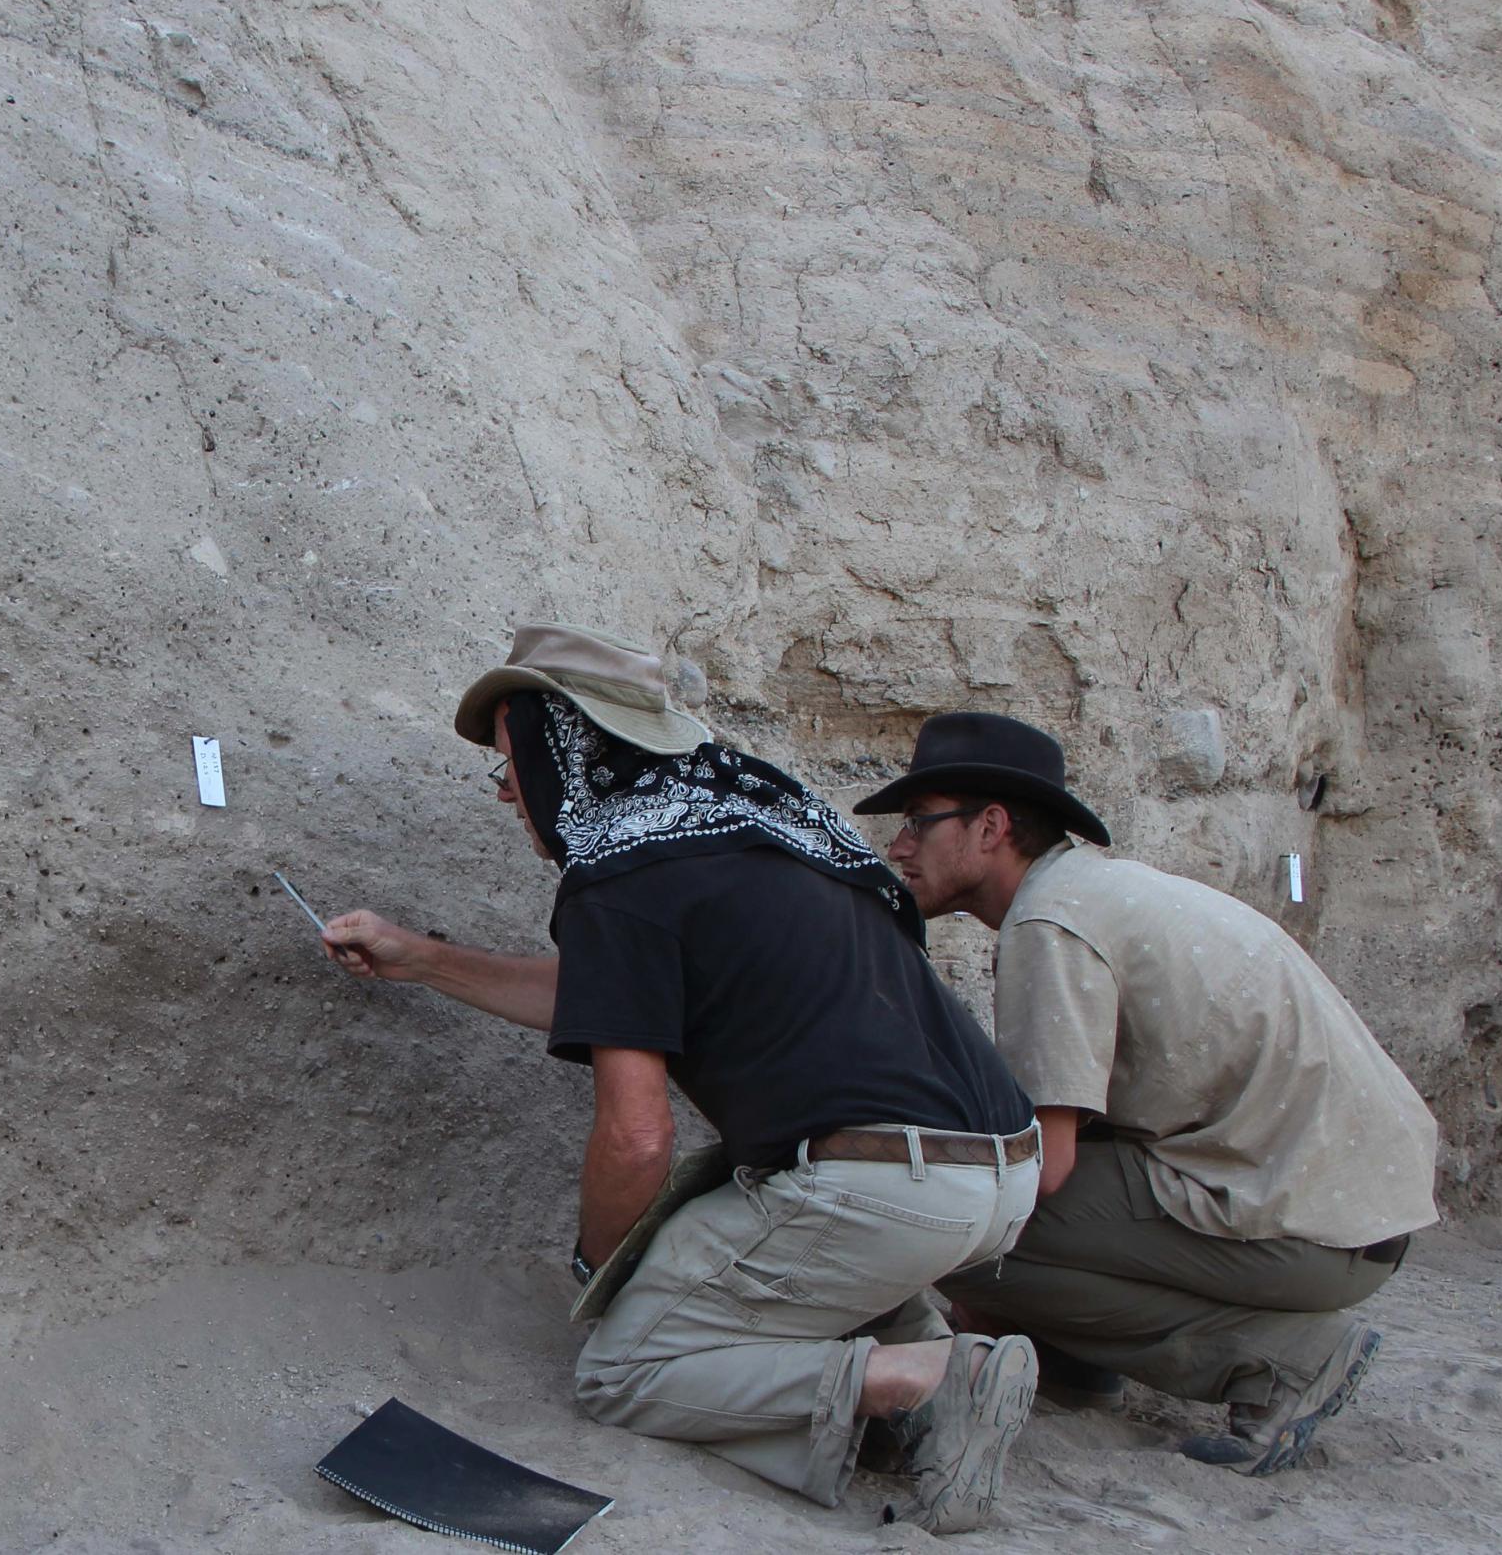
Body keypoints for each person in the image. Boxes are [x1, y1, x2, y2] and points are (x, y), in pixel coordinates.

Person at [320, 623, 1044, 1532]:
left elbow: (638, 1136)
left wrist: (603, 1267)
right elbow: (616, 999)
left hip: (879, 1186)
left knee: (626, 1370)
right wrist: (419, 959)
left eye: (510, 763)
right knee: (797, 1243)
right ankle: (924, 1364)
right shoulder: (770, 825)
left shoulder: (620, 870)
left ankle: (930, 1380)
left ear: (565, 750)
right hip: (1000, 1171)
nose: (507, 792)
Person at [854, 710, 1441, 1475]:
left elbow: (1046, 1166)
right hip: (1353, 1211)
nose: (899, 846)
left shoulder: (1050, 924)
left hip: (1316, 1234)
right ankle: (1071, 1361)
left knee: (959, 1228)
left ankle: (1280, 1359)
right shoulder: (1092, 891)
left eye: (920, 822)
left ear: (991, 826)